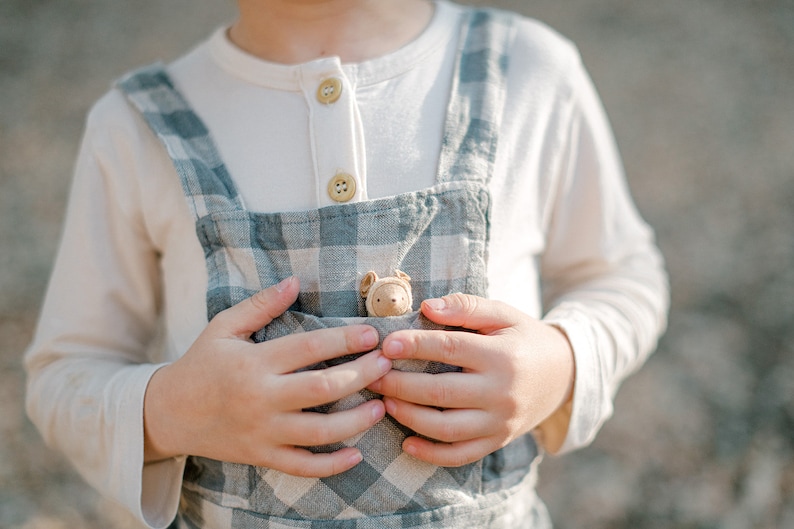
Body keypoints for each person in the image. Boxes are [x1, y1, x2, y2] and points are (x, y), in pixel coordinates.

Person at [25, 0, 669, 527]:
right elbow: (64, 374)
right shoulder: (137, 128)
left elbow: (621, 273)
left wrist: (561, 363)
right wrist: (172, 410)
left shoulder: (530, 73)